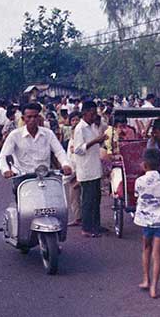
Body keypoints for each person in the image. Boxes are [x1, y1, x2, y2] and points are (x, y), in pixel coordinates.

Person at [0, 103, 72, 189]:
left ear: (39, 118)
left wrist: (65, 164)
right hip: (22, 177)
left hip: (45, 175)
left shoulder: (48, 134)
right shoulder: (15, 135)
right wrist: (6, 170)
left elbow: (59, 151)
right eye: (29, 117)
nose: (32, 119)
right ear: (23, 118)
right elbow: (3, 156)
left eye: (35, 116)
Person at [134, 148, 160, 299]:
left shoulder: (139, 181)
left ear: (144, 165)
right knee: (157, 254)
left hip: (146, 221)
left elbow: (137, 194)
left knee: (146, 249)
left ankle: (145, 280)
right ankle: (154, 287)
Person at [73, 101, 108, 238]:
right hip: (86, 169)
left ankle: (96, 225)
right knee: (88, 200)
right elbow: (78, 149)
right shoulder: (80, 128)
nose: (94, 116)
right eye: (92, 113)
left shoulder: (93, 126)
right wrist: (96, 141)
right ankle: (86, 228)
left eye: (95, 113)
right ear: (85, 113)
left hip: (95, 167)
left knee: (96, 198)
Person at [65, 111, 83, 226]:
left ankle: (82, 218)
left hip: (82, 170)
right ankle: (78, 218)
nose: (75, 122)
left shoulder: (83, 133)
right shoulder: (71, 135)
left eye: (77, 119)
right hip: (72, 170)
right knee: (74, 197)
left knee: (80, 196)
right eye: (73, 120)